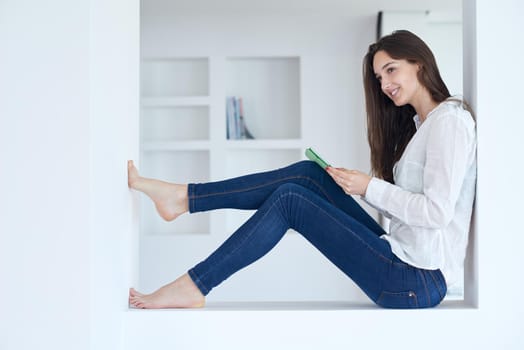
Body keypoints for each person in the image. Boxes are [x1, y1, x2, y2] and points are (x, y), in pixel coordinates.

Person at [128, 30, 476, 309]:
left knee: (289, 201)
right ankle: (184, 197)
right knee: (309, 174)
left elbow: (437, 212)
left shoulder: (450, 122)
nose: (384, 85)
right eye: (378, 76)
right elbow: (409, 213)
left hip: (418, 279)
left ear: (418, 63)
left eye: (391, 70)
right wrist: (353, 185)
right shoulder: (423, 127)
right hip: (402, 259)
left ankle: (194, 284)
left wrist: (369, 186)